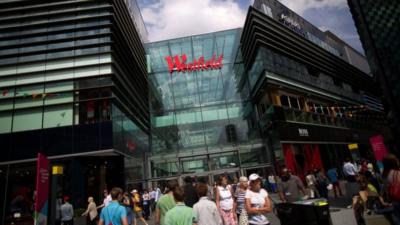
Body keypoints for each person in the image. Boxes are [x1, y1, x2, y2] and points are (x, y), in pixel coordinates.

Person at [382, 154, 400, 225]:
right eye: (396, 159)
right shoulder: (398, 173)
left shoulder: (385, 174)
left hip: (393, 199)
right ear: (394, 162)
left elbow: (386, 188)